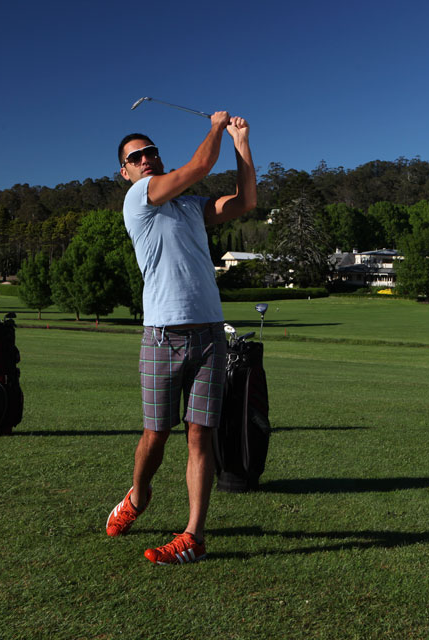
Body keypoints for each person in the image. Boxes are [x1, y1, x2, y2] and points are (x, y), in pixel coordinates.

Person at [106, 111, 256, 564]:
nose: (146, 159)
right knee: (156, 433)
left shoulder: (189, 206)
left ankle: (193, 535)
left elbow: (245, 201)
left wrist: (241, 143)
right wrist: (213, 128)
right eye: (137, 156)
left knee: (199, 434)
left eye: (151, 152)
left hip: (210, 333)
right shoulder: (138, 198)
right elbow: (198, 169)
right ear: (126, 172)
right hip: (162, 335)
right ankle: (138, 495)